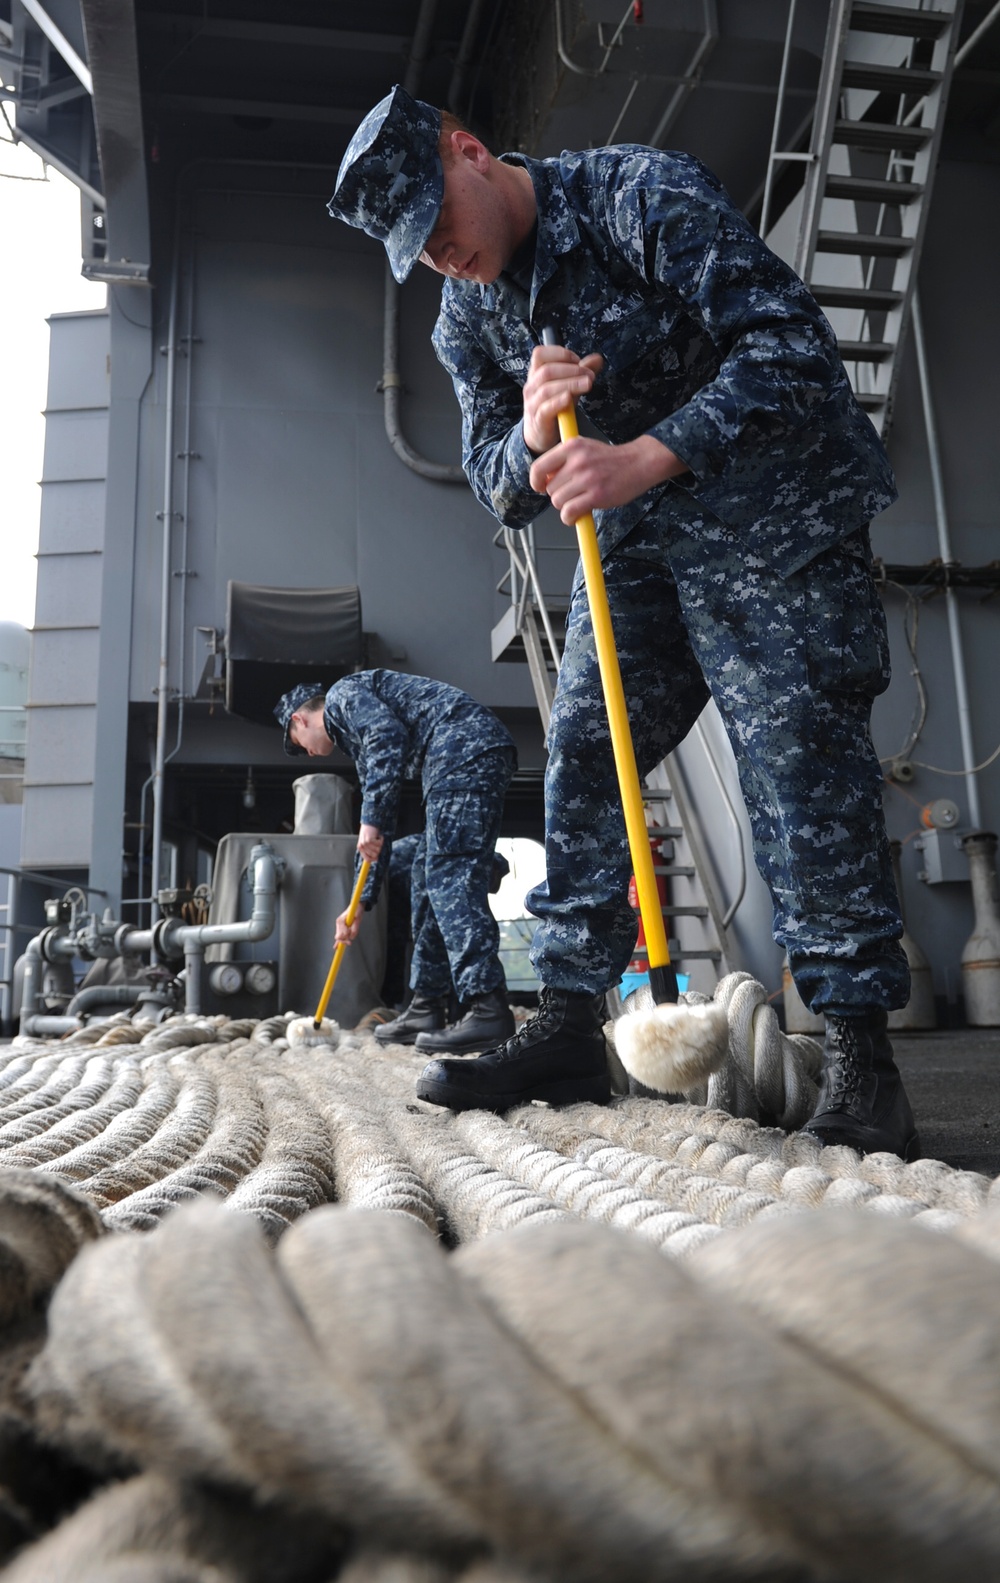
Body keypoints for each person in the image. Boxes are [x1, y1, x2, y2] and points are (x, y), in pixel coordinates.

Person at [326, 86, 919, 1159]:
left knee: (795, 760)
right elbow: (494, 484)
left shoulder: (633, 195)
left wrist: (644, 453)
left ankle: (859, 1051)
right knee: (584, 751)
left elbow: (791, 345)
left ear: (471, 151)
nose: (442, 258)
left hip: (773, 512)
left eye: (439, 224)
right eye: (417, 249)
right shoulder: (469, 312)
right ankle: (564, 1022)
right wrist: (528, 428)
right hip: (642, 544)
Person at [274, 672, 517, 1053]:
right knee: (426, 873)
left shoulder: (342, 698)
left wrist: (370, 821)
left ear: (299, 720)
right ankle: (427, 1004)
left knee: (449, 877)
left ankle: (488, 1007)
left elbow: (387, 738)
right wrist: (360, 904)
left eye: (298, 744)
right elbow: (378, 834)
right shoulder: (358, 737)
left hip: (463, 750)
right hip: (458, 756)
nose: (307, 752)